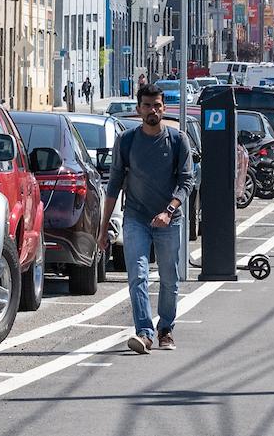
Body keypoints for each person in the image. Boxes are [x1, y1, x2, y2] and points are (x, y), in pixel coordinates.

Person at [97, 84, 194, 354]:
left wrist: (169, 210)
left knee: (169, 278)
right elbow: (114, 184)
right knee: (137, 276)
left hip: (169, 220)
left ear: (164, 108)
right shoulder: (126, 141)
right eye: (148, 106)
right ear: (139, 109)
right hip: (136, 218)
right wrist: (103, 229)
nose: (153, 110)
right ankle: (144, 332)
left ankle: (166, 329)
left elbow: (187, 182)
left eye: (158, 106)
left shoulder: (177, 141)